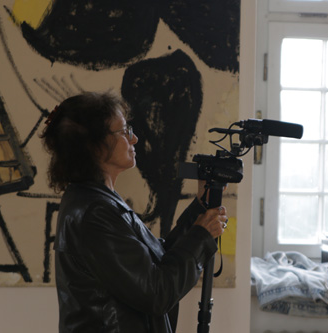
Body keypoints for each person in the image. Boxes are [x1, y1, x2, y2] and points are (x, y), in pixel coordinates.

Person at [40, 91, 228, 332]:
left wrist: (200, 209)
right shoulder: (94, 213)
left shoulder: (98, 200)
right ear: (95, 146)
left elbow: (154, 263)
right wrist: (201, 237)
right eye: (124, 131)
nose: (135, 138)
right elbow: (156, 292)